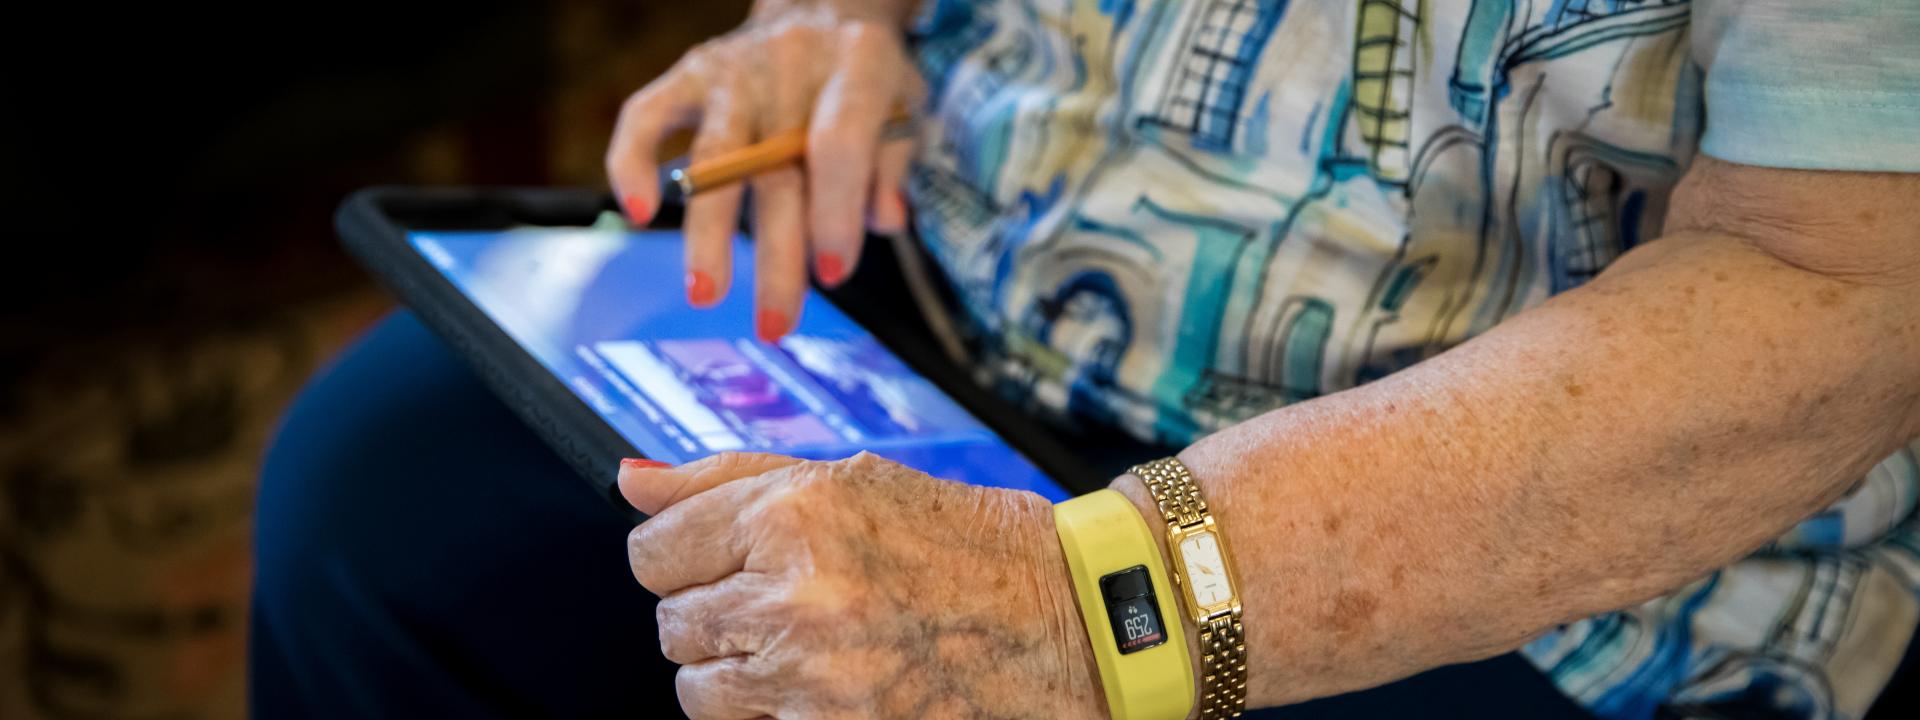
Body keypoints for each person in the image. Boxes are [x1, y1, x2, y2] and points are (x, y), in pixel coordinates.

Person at [253, 0, 1920, 717]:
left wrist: (1094, 607)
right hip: (969, 255)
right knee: (380, 508)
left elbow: (1840, 293)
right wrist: (833, 24)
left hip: (1530, 554)